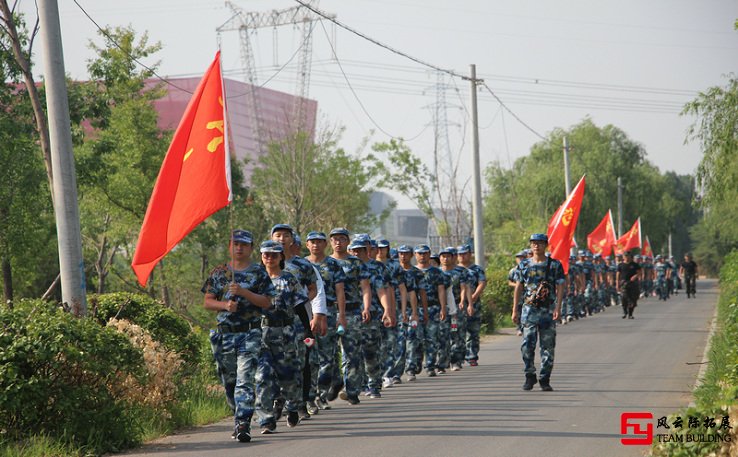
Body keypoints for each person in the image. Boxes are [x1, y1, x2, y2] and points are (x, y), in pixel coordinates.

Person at [202, 230, 276, 443]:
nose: (239, 248)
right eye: (235, 244)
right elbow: (208, 301)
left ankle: (243, 422)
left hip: (250, 333)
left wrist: (244, 293)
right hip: (225, 335)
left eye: (244, 244)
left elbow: (267, 302)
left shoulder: (259, 273)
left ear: (251, 248)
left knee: (245, 378)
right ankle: (237, 413)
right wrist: (225, 304)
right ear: (229, 246)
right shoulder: (219, 273)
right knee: (230, 381)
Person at [255, 240, 304, 434]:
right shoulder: (255, 280)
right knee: (263, 376)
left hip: (285, 331)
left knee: (288, 376)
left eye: (274, 254)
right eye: (266, 254)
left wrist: (308, 329)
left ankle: (292, 406)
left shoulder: (289, 279)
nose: (269, 258)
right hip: (261, 332)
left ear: (281, 257)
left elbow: (300, 305)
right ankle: (266, 419)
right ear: (261, 256)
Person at [511, 233, 565, 392]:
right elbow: (519, 287)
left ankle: (544, 378)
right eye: (534, 243)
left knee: (547, 346)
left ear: (546, 245)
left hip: (547, 310)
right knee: (527, 344)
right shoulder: (524, 265)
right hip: (529, 310)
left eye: (540, 243)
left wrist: (558, 307)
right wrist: (515, 309)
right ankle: (529, 374)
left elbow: (560, 285)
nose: (536, 246)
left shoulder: (555, 265)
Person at [305, 231, 347, 411]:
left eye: (319, 242)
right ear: (307, 245)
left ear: (325, 244)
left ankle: (321, 395)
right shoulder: (302, 264)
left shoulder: (333, 265)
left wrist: (341, 315)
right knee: (308, 358)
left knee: (327, 357)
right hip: (306, 313)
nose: (316, 245)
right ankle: (308, 397)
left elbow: (340, 291)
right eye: (312, 242)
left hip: (328, 312)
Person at [329, 227, 371, 405]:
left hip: (353, 311)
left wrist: (366, 307)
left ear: (348, 242)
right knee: (329, 353)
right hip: (329, 311)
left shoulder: (355, 263)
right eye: (335, 239)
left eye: (342, 239)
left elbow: (366, 287)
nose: (338, 242)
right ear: (330, 242)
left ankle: (352, 389)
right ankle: (334, 382)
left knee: (351, 353)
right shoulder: (325, 263)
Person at [414, 244, 447, 377]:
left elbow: (441, 290)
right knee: (415, 338)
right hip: (415, 309)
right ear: (415, 255)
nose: (422, 256)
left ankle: (430, 365)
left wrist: (443, 307)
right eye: (419, 253)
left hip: (433, 308)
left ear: (429, 254)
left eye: (425, 253)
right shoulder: (411, 271)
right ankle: (414, 365)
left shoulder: (436, 272)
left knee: (432, 338)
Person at [457, 244, 487, 367]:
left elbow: (482, 282)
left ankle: (472, 356)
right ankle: (458, 357)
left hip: (474, 304)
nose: (462, 256)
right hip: (457, 306)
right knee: (457, 332)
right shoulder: (455, 269)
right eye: (460, 254)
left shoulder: (477, 269)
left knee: (473, 331)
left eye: (465, 253)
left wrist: (474, 296)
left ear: (470, 254)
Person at [617, 251, 643, 319]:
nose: (626, 257)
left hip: (633, 283)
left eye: (628, 256)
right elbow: (618, 275)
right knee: (624, 298)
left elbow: (640, 272)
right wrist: (617, 284)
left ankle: (630, 314)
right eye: (625, 256)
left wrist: (635, 276)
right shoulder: (621, 265)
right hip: (624, 283)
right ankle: (625, 312)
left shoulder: (634, 265)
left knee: (633, 299)